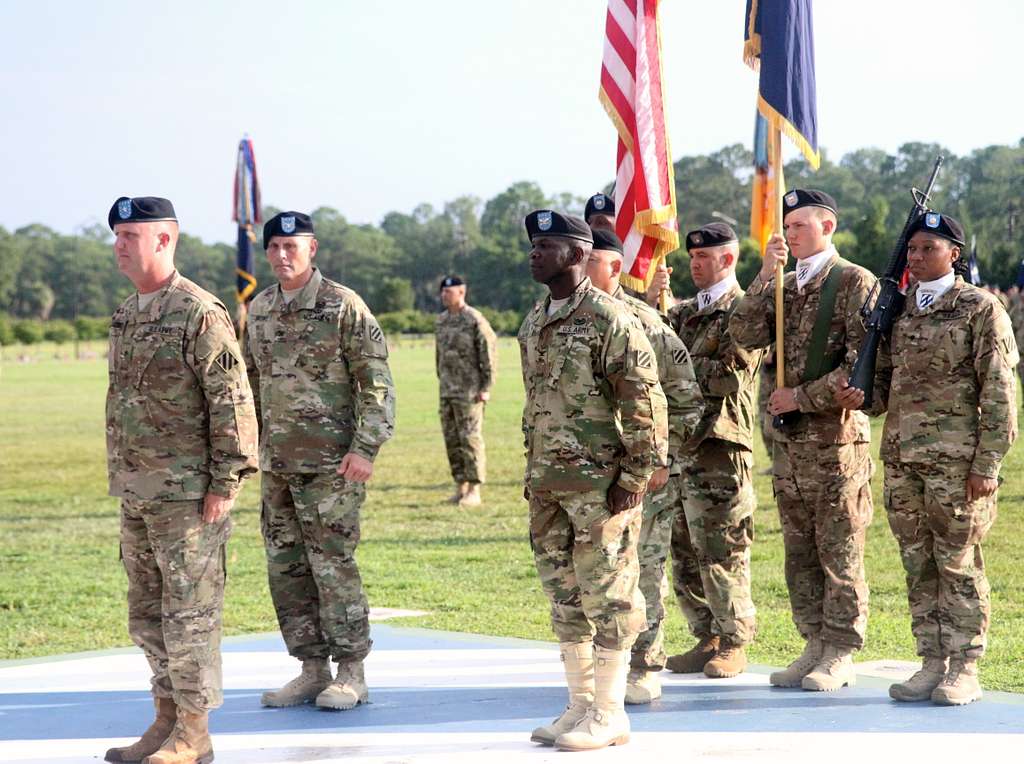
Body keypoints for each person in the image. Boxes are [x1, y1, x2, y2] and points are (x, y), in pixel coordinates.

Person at [835, 212, 1018, 706]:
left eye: (928, 249)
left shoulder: (980, 309)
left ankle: (964, 665)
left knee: (957, 563)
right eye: (912, 250)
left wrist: (987, 465)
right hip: (902, 460)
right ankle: (931, 661)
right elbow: (884, 386)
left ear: (953, 254)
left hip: (957, 466)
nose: (916, 258)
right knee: (918, 564)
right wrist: (862, 396)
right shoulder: (898, 310)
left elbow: (1000, 394)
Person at [104, 196, 259, 764]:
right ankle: (165, 721)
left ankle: (195, 734)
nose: (120, 244)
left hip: (190, 497)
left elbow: (233, 403)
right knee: (147, 614)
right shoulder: (127, 313)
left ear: (164, 240)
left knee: (190, 616)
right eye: (117, 234)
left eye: (131, 235)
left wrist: (226, 483)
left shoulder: (199, 312)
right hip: (139, 492)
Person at [519, 210, 668, 751]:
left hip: (601, 486)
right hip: (549, 484)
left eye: (547, 245)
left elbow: (645, 402)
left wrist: (635, 475)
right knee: (565, 596)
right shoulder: (535, 319)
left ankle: (609, 712)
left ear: (579, 254)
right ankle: (579, 705)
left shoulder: (609, 318)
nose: (535, 253)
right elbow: (535, 406)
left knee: (609, 595)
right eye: (533, 245)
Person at [243, 211, 396, 712]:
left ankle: (353, 671)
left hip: (333, 465)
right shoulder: (261, 308)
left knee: (332, 566)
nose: (283, 255)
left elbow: (374, 381)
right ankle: (311, 669)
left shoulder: (341, 305)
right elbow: (249, 384)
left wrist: (365, 448)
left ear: (313, 249)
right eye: (275, 247)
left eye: (293, 245)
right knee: (286, 568)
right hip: (278, 465)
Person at [730, 190, 877, 692]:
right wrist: (764, 277)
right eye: (786, 226)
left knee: (839, 548)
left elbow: (863, 366)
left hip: (835, 443)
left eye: (799, 225)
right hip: (789, 448)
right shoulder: (784, 285)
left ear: (827, 227)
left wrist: (801, 398)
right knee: (799, 550)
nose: (788, 234)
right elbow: (744, 334)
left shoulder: (853, 282)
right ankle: (812, 640)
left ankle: (839, 649)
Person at [584, 229, 704, 703]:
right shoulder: (563, 318)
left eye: (589, 258)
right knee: (593, 573)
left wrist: (659, 461)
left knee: (643, 569)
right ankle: (603, 662)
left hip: (643, 477)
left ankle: (644, 665)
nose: (579, 265)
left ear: (613, 266)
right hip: (586, 476)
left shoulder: (646, 323)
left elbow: (686, 401)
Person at [649, 223, 763, 679]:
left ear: (728, 259)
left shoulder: (744, 311)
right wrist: (653, 303)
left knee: (722, 548)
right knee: (685, 551)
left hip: (720, 445)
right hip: (681, 446)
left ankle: (734, 639)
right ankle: (707, 636)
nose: (694, 264)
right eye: (692, 258)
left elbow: (729, 374)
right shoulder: (683, 313)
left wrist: (680, 368)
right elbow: (652, 358)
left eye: (704, 257)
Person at [435, 275, 497, 507]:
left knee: (470, 439)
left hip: (470, 392)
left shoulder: (474, 320)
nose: (444, 295)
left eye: (449, 292)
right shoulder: (441, 321)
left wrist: (486, 387)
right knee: (452, 440)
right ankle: (460, 487)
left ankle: (474, 489)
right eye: (442, 292)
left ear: (462, 292)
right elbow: (438, 356)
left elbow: (488, 354)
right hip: (447, 391)